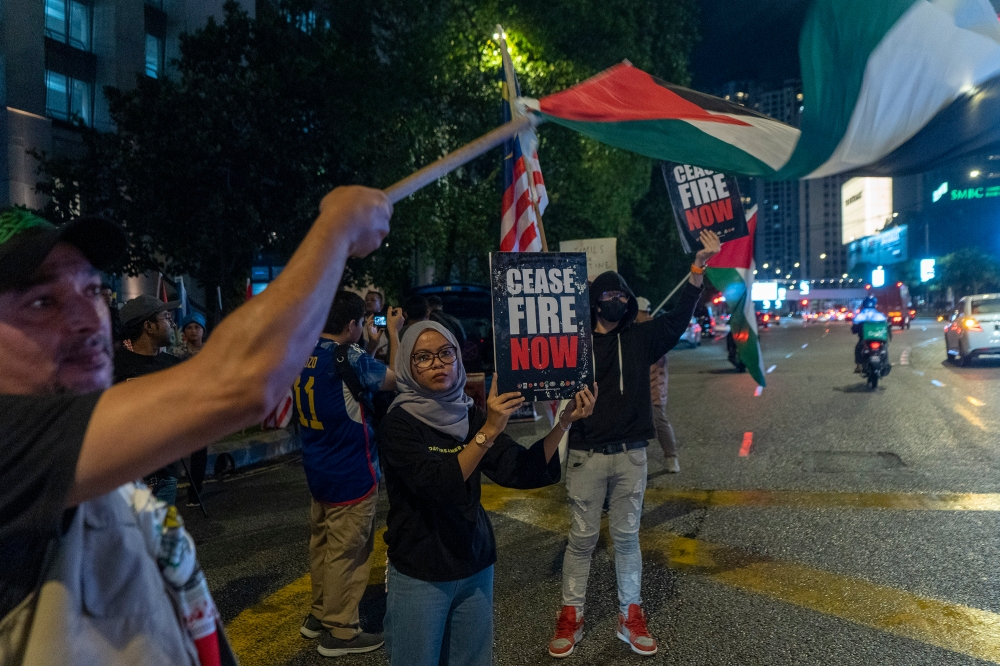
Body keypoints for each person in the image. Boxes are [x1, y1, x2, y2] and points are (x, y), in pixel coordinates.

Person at [0, 186, 390, 664]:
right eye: (42, 303)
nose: (88, 319)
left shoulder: (96, 470)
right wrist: (338, 228)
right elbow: (242, 381)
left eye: (92, 289)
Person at [377, 322, 595, 666]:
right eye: (423, 357)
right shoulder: (398, 423)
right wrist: (489, 431)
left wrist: (565, 422)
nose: (437, 363)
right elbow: (438, 485)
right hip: (421, 569)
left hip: (473, 563)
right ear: (407, 364)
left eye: (446, 353)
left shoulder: (469, 414)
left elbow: (520, 468)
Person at [547, 229, 720, 659]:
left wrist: (697, 269)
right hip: (585, 457)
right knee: (581, 540)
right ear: (593, 302)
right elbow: (533, 355)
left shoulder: (641, 338)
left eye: (623, 297)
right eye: (608, 296)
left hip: (631, 457)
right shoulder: (575, 345)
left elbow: (679, 317)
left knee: (627, 540)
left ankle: (631, 615)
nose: (617, 303)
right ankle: (571, 616)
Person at [297, 291, 403, 658]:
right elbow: (395, 379)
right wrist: (394, 333)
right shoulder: (350, 356)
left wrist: (367, 350)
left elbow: (349, 382)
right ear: (351, 325)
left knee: (323, 545)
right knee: (349, 553)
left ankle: (319, 613)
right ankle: (341, 631)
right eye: (363, 322)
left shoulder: (306, 353)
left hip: (319, 469)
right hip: (351, 471)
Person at [115, 295, 184, 505]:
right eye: (165, 317)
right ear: (149, 326)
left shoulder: (173, 366)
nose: (172, 323)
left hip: (165, 476)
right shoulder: (113, 367)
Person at [635, 297, 679, 474]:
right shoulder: (630, 329)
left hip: (654, 382)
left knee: (658, 419)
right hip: (636, 383)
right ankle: (637, 461)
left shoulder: (654, 329)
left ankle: (671, 456)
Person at [852, 296, 889, 373]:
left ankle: (858, 366)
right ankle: (886, 363)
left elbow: (855, 325)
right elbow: (886, 324)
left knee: (858, 348)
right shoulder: (879, 315)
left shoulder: (861, 315)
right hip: (879, 338)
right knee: (885, 348)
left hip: (865, 339)